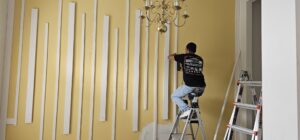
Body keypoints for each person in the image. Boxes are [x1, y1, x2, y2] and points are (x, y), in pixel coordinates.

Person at [168, 42, 206, 119]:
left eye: (185, 49)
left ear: (187, 49)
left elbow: (169, 57)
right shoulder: (200, 58)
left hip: (190, 86)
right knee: (191, 97)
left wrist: (174, 54)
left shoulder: (184, 56)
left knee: (174, 96)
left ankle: (187, 110)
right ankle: (195, 112)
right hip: (202, 87)